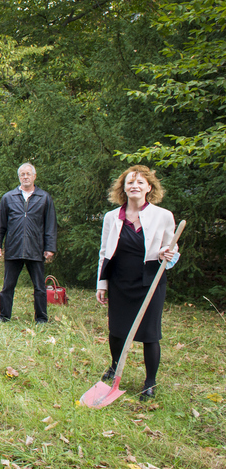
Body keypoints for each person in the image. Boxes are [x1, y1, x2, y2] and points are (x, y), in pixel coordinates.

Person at [96, 165, 179, 400]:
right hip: (120, 280)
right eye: (130, 182)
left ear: (149, 188)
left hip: (150, 280)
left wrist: (168, 254)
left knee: (150, 333)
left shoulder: (163, 216)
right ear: (123, 188)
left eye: (140, 182)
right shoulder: (112, 217)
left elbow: (171, 248)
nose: (135, 186)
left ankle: (150, 382)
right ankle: (114, 367)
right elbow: (104, 252)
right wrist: (102, 284)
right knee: (117, 330)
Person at [0, 163, 57, 324]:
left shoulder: (44, 198)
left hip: (35, 249)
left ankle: (41, 318)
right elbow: (0, 223)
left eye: (28, 174)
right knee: (8, 286)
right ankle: (4, 316)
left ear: (34, 176)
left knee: (39, 287)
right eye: (22, 174)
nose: (25, 177)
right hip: (14, 248)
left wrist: (50, 247)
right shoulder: (8, 197)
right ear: (19, 177)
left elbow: (50, 225)